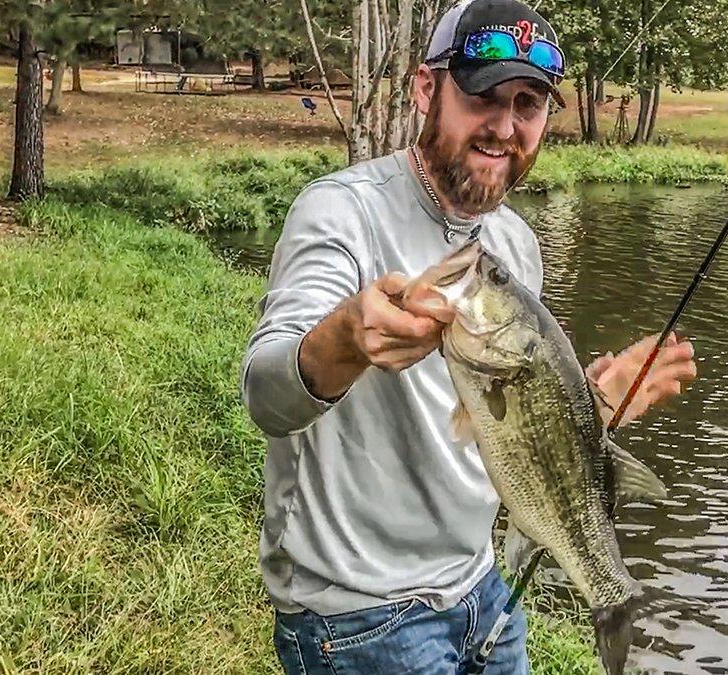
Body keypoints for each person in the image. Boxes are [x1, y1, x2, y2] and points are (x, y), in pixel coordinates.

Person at [239, 0, 697, 672]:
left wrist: (587, 406)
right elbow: (265, 397)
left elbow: (499, 431)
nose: (504, 128)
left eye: (528, 105)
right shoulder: (341, 212)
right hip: (360, 614)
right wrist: (345, 340)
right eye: (483, 96)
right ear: (427, 90)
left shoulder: (514, 243)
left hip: (482, 589)